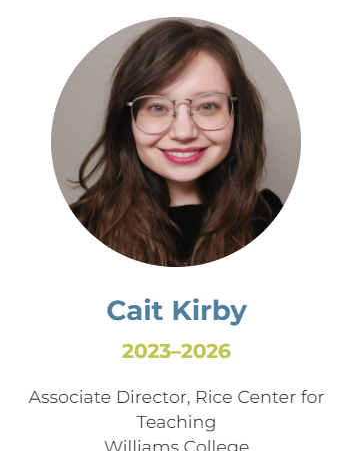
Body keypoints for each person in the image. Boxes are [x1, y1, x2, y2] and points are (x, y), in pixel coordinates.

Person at [71, 19, 283, 266]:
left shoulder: (267, 219)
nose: (183, 132)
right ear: (127, 120)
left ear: (236, 115)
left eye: (207, 106)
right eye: (158, 107)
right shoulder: (81, 225)